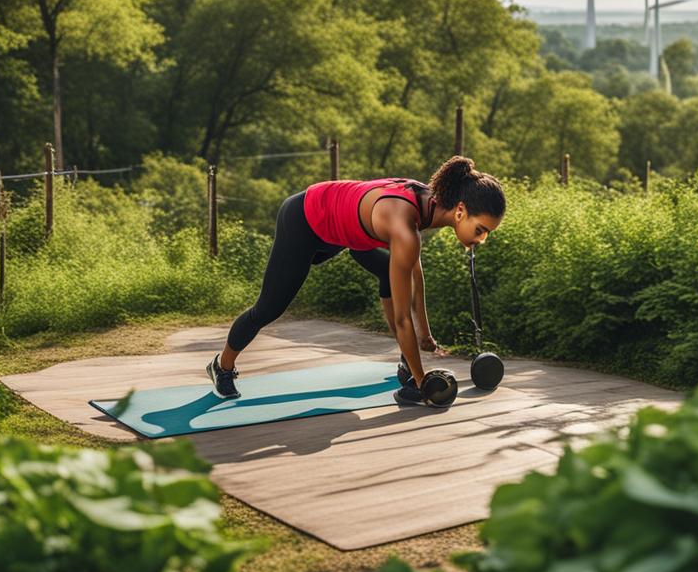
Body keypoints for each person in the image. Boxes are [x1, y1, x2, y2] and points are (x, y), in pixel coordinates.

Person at [207, 155, 506, 405]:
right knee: (269, 307)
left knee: (392, 269)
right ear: (460, 212)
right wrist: (421, 381)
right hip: (306, 219)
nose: (482, 239)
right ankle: (222, 366)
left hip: (349, 230)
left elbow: (414, 270)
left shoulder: (431, 204)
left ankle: (407, 359)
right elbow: (403, 318)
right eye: (481, 230)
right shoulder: (405, 228)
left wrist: (424, 334)